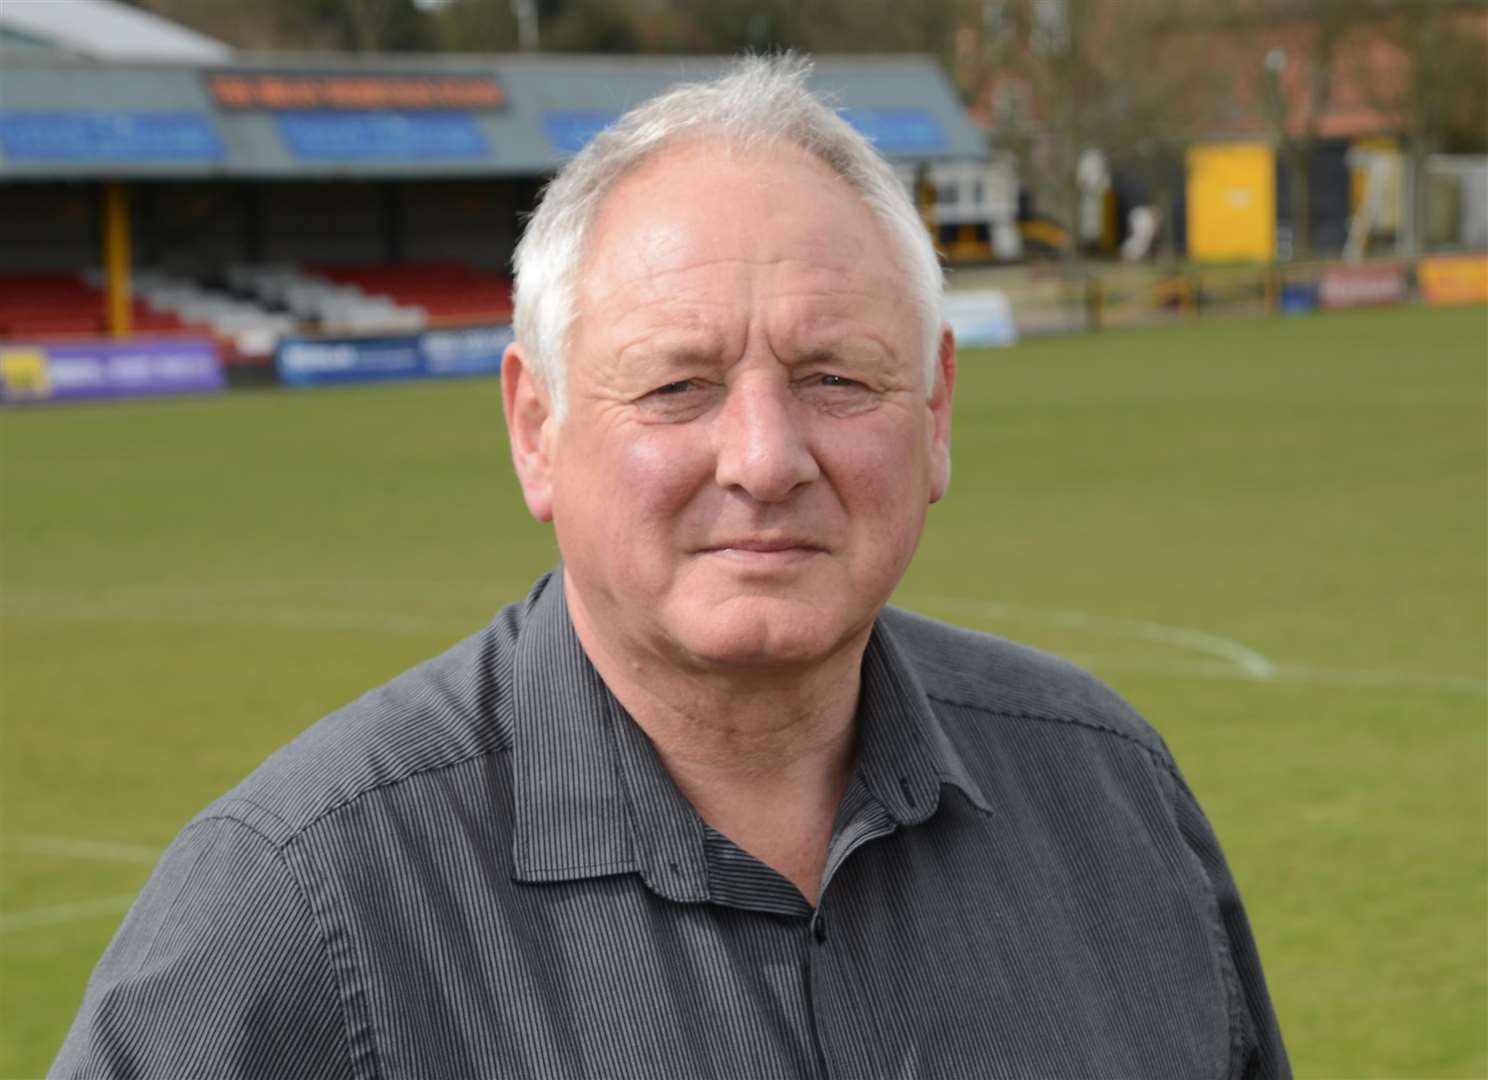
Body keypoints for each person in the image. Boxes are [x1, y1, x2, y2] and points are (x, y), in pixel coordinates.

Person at [52, 56, 1290, 1079]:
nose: (763, 458)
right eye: (677, 386)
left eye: (836, 379)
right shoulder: (295, 905)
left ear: (937, 415)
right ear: (537, 430)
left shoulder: (1114, 799)